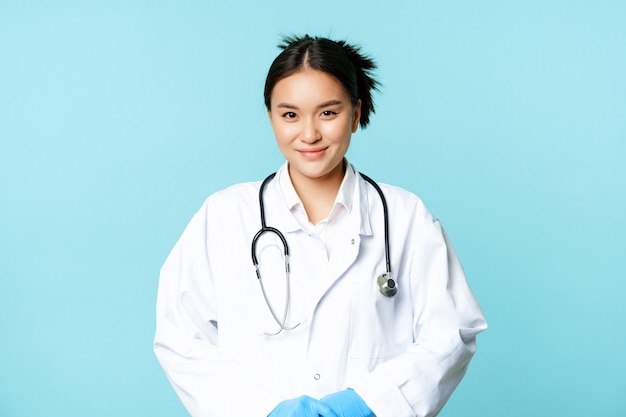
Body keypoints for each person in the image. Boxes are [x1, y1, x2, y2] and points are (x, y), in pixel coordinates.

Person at [154, 34, 487, 417]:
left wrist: (366, 405)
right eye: (290, 115)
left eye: (328, 113)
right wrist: (260, 410)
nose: (309, 133)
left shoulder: (405, 216)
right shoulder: (224, 215)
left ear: (356, 113)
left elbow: (451, 334)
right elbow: (180, 336)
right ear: (271, 118)